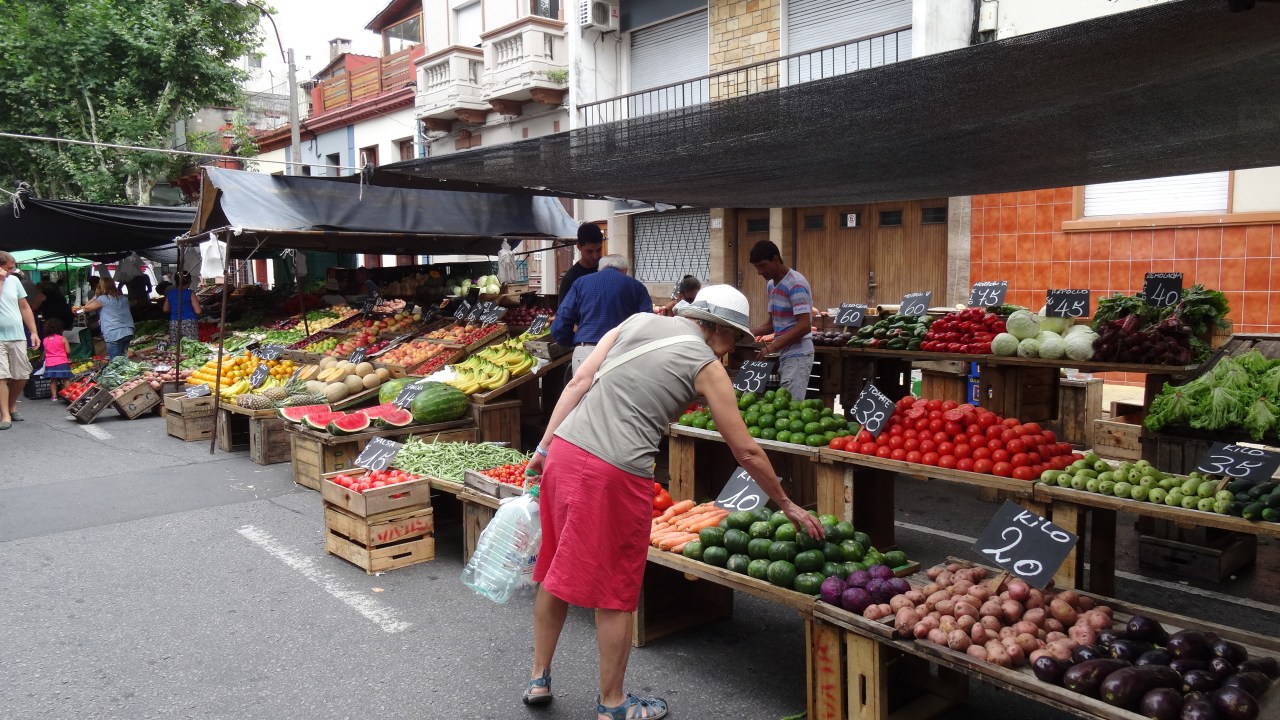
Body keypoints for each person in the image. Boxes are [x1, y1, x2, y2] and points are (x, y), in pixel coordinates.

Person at [524, 285, 824, 720]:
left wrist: (543, 447)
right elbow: (746, 451)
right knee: (615, 592)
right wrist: (787, 503)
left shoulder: (635, 321)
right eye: (732, 341)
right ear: (719, 330)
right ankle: (612, 704)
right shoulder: (706, 365)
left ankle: (538, 678)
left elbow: (580, 382)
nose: (729, 352)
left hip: (567, 451)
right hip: (616, 471)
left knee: (555, 568)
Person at [550, 254, 653, 373]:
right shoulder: (637, 287)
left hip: (586, 351)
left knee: (585, 392)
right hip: (622, 353)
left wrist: (573, 341)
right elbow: (647, 323)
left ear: (600, 268)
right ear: (625, 270)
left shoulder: (580, 283)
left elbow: (560, 324)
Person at [749, 240, 815, 401]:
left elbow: (804, 326)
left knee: (790, 407)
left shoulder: (795, 284)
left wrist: (772, 346)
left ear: (776, 260)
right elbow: (773, 323)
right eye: (756, 267)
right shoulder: (771, 285)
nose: (759, 272)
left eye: (763, 266)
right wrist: (749, 332)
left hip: (798, 355)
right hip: (782, 354)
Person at [0, 251, 42, 429]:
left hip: (17, 335)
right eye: (9, 268)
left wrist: (33, 332)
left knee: (22, 374)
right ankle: (6, 414)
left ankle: (11, 404)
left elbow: (24, 307)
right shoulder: (5, 280)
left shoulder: (15, 281)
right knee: (1, 375)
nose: (12, 271)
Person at [81, 279, 135, 359]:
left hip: (113, 333)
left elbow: (86, 308)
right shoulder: (122, 298)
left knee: (115, 362)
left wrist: (95, 296)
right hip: (128, 331)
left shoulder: (103, 299)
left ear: (101, 287)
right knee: (124, 359)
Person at [557, 222, 605, 299]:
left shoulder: (607, 271)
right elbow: (564, 310)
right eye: (590, 251)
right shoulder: (570, 279)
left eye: (599, 250)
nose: (595, 256)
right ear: (579, 246)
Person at [163, 272, 201, 343]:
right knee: (191, 345)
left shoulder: (170, 293)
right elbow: (198, 311)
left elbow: (165, 309)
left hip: (174, 322)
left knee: (175, 346)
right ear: (189, 282)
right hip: (189, 322)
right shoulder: (190, 293)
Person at [40, 318, 72, 400]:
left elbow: (45, 352)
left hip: (50, 363)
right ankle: (68, 395)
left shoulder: (45, 340)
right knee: (66, 379)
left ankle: (54, 396)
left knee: (53, 380)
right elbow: (68, 351)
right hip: (62, 362)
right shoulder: (62, 338)